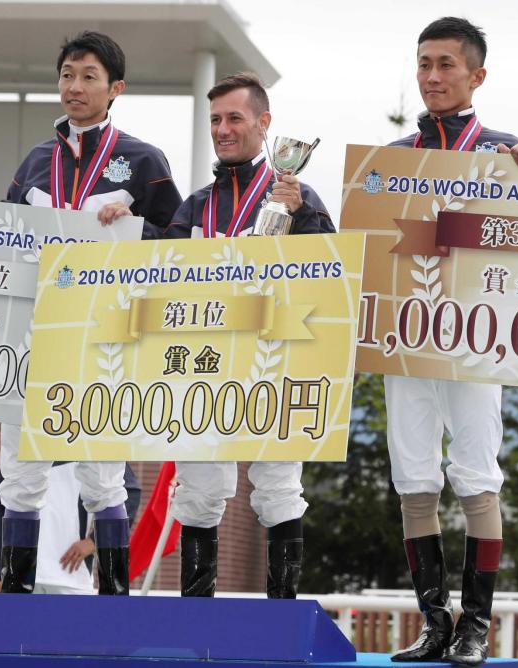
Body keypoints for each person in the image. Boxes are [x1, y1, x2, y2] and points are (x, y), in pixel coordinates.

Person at [0, 31, 183, 595]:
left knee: (103, 474)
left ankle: (114, 600)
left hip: (107, 339)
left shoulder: (144, 162)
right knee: (20, 470)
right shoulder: (36, 160)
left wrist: (134, 228)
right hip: (32, 335)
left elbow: (181, 249)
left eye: (88, 76)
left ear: (115, 88)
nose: (74, 87)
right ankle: (19, 593)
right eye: (67, 75)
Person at [385, 18, 518, 666]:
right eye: (423, 63)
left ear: (477, 75)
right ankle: (435, 625)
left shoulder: (510, 153)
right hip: (405, 336)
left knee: (478, 478)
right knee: (414, 479)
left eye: (446, 64)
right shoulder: (392, 159)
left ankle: (477, 626)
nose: (431, 76)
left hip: (479, 339)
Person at [163, 72, 333, 599]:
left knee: (280, 489)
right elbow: (157, 274)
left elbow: (333, 270)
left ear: (264, 124)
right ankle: (196, 619)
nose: (223, 129)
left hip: (276, 364)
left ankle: (281, 616)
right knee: (197, 492)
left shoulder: (298, 198)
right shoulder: (193, 207)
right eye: (215, 120)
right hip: (203, 364)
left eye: (234, 118)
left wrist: (302, 211)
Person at [0, 463, 142, 594]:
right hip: (19, 577)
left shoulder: (88, 437)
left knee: (75, 631)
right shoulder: (24, 439)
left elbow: (127, 492)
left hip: (72, 577)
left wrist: (95, 540)